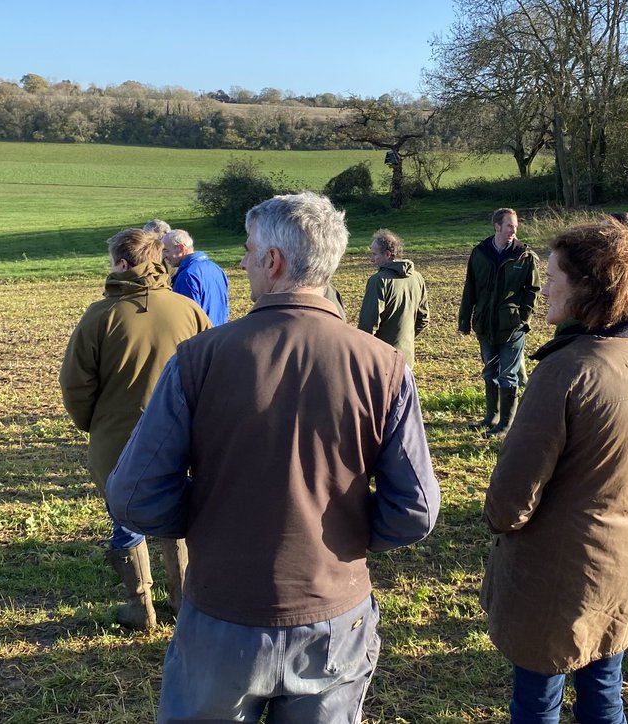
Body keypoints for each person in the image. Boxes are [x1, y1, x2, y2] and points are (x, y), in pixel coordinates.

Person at [106, 192, 440, 723]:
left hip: (222, 614)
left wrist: (205, 522)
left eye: (247, 249)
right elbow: (416, 508)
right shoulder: (385, 365)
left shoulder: (199, 360)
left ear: (273, 261)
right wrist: (343, 540)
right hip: (335, 615)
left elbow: (132, 494)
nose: (240, 262)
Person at [481, 219, 628, 724]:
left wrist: (506, 525)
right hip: (620, 567)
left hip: (551, 578)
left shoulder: (564, 373)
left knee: (537, 703)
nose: (543, 286)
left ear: (590, 288)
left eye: (553, 277)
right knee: (604, 692)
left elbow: (509, 502)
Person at [59, 228, 210, 631]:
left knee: (125, 520)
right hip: (181, 439)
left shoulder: (99, 316)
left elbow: (76, 385)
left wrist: (92, 425)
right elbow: (211, 376)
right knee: (175, 516)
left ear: (122, 264)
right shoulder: (188, 311)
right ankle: (183, 600)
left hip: (118, 440)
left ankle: (140, 607)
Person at [459, 208, 541, 437]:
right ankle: (491, 417)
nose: (513, 231)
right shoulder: (479, 253)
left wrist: (522, 318)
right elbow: (470, 288)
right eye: (509, 226)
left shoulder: (524, 256)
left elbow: (533, 290)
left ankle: (506, 424)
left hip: (512, 327)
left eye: (515, 226)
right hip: (485, 324)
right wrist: (465, 320)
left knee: (508, 374)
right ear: (497, 226)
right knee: (489, 372)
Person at [357, 229, 429, 366]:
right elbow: (423, 319)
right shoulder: (417, 278)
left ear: (388, 254)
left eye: (374, 254)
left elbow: (367, 326)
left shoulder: (378, 281)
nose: (371, 259)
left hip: (381, 361)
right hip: (406, 360)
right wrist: (404, 340)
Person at [162, 228, 230, 325]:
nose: (163, 256)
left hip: (201, 337)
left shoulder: (187, 276)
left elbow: (187, 319)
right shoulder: (216, 268)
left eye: (166, 250)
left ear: (181, 249)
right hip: (219, 333)